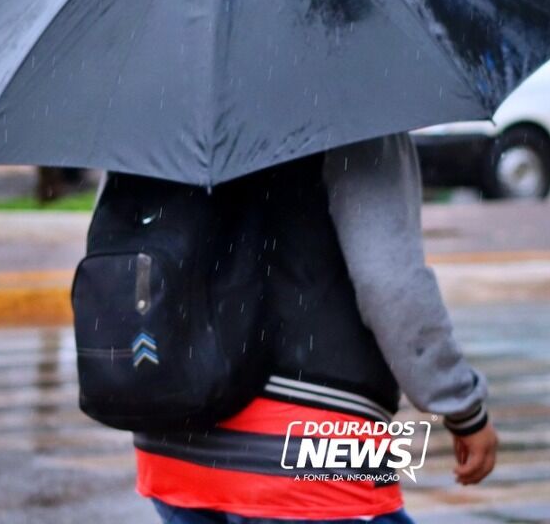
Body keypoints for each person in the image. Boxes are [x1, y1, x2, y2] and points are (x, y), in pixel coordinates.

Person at [133, 132, 498, 522]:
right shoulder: (354, 112)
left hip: (175, 438)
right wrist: (460, 406)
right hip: (307, 444)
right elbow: (389, 282)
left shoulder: (166, 111)